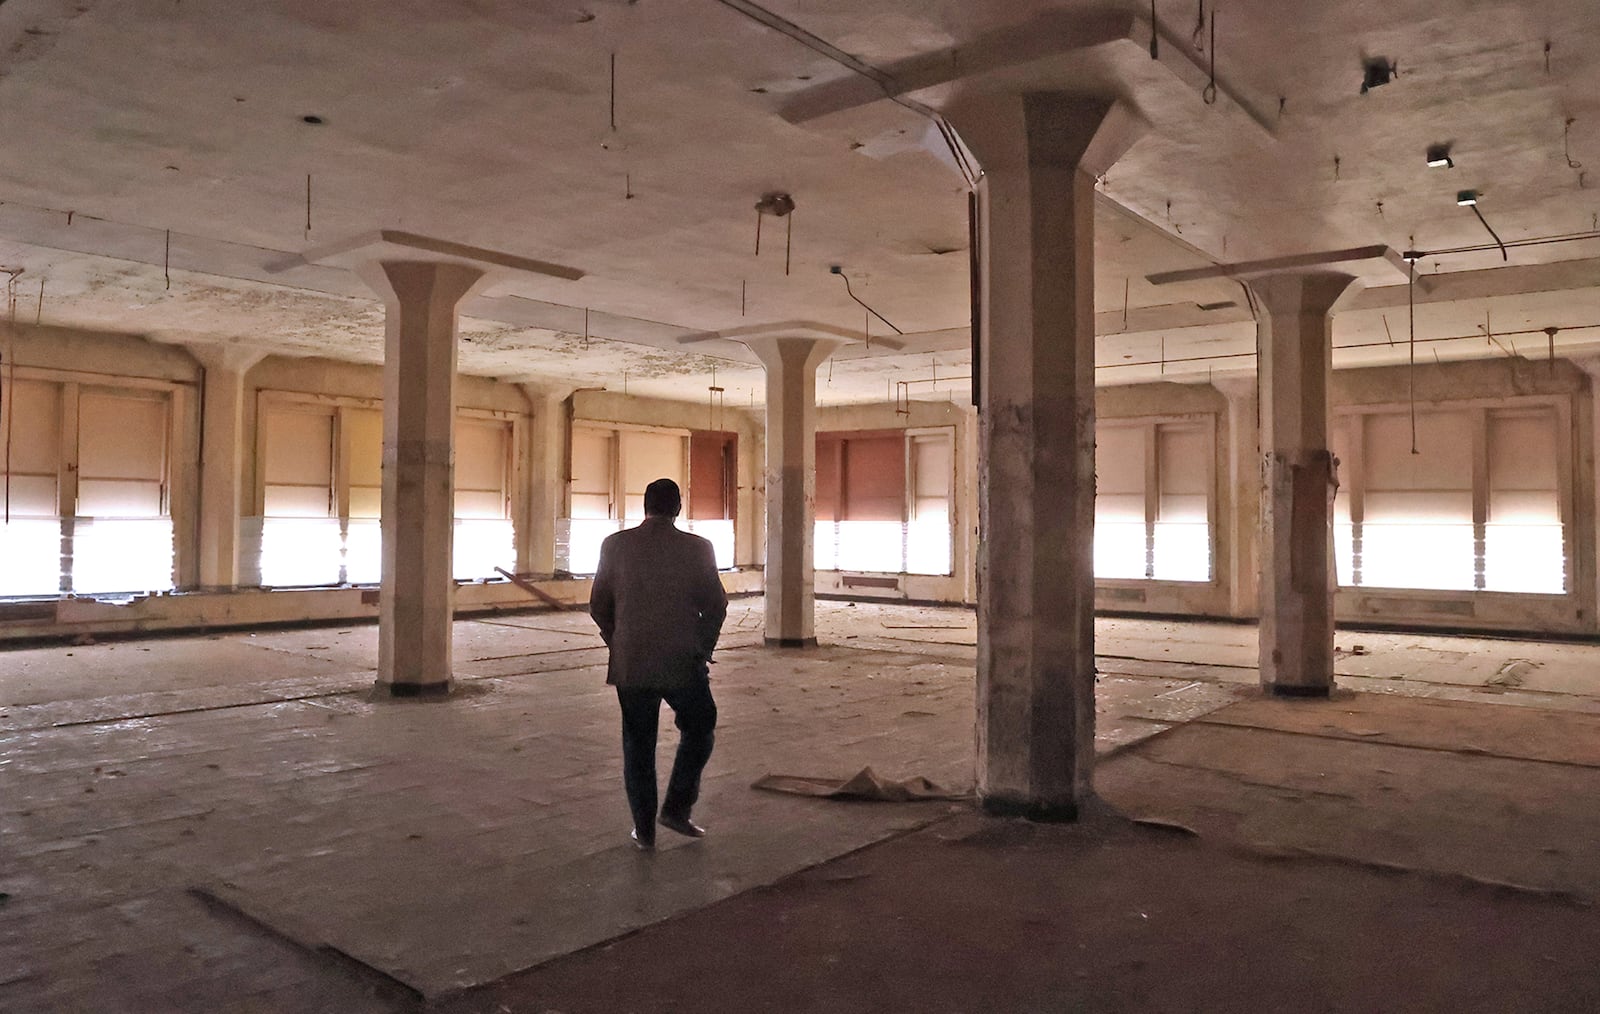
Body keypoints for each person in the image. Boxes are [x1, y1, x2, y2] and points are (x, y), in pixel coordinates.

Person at [589, 477, 728, 851]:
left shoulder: (614, 545)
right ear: (678, 508)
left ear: (644, 505)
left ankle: (645, 832)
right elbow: (716, 605)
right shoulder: (698, 549)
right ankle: (677, 808)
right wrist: (702, 646)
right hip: (683, 660)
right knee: (700, 727)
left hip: (631, 664)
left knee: (638, 745)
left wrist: (617, 640)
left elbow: (598, 605)